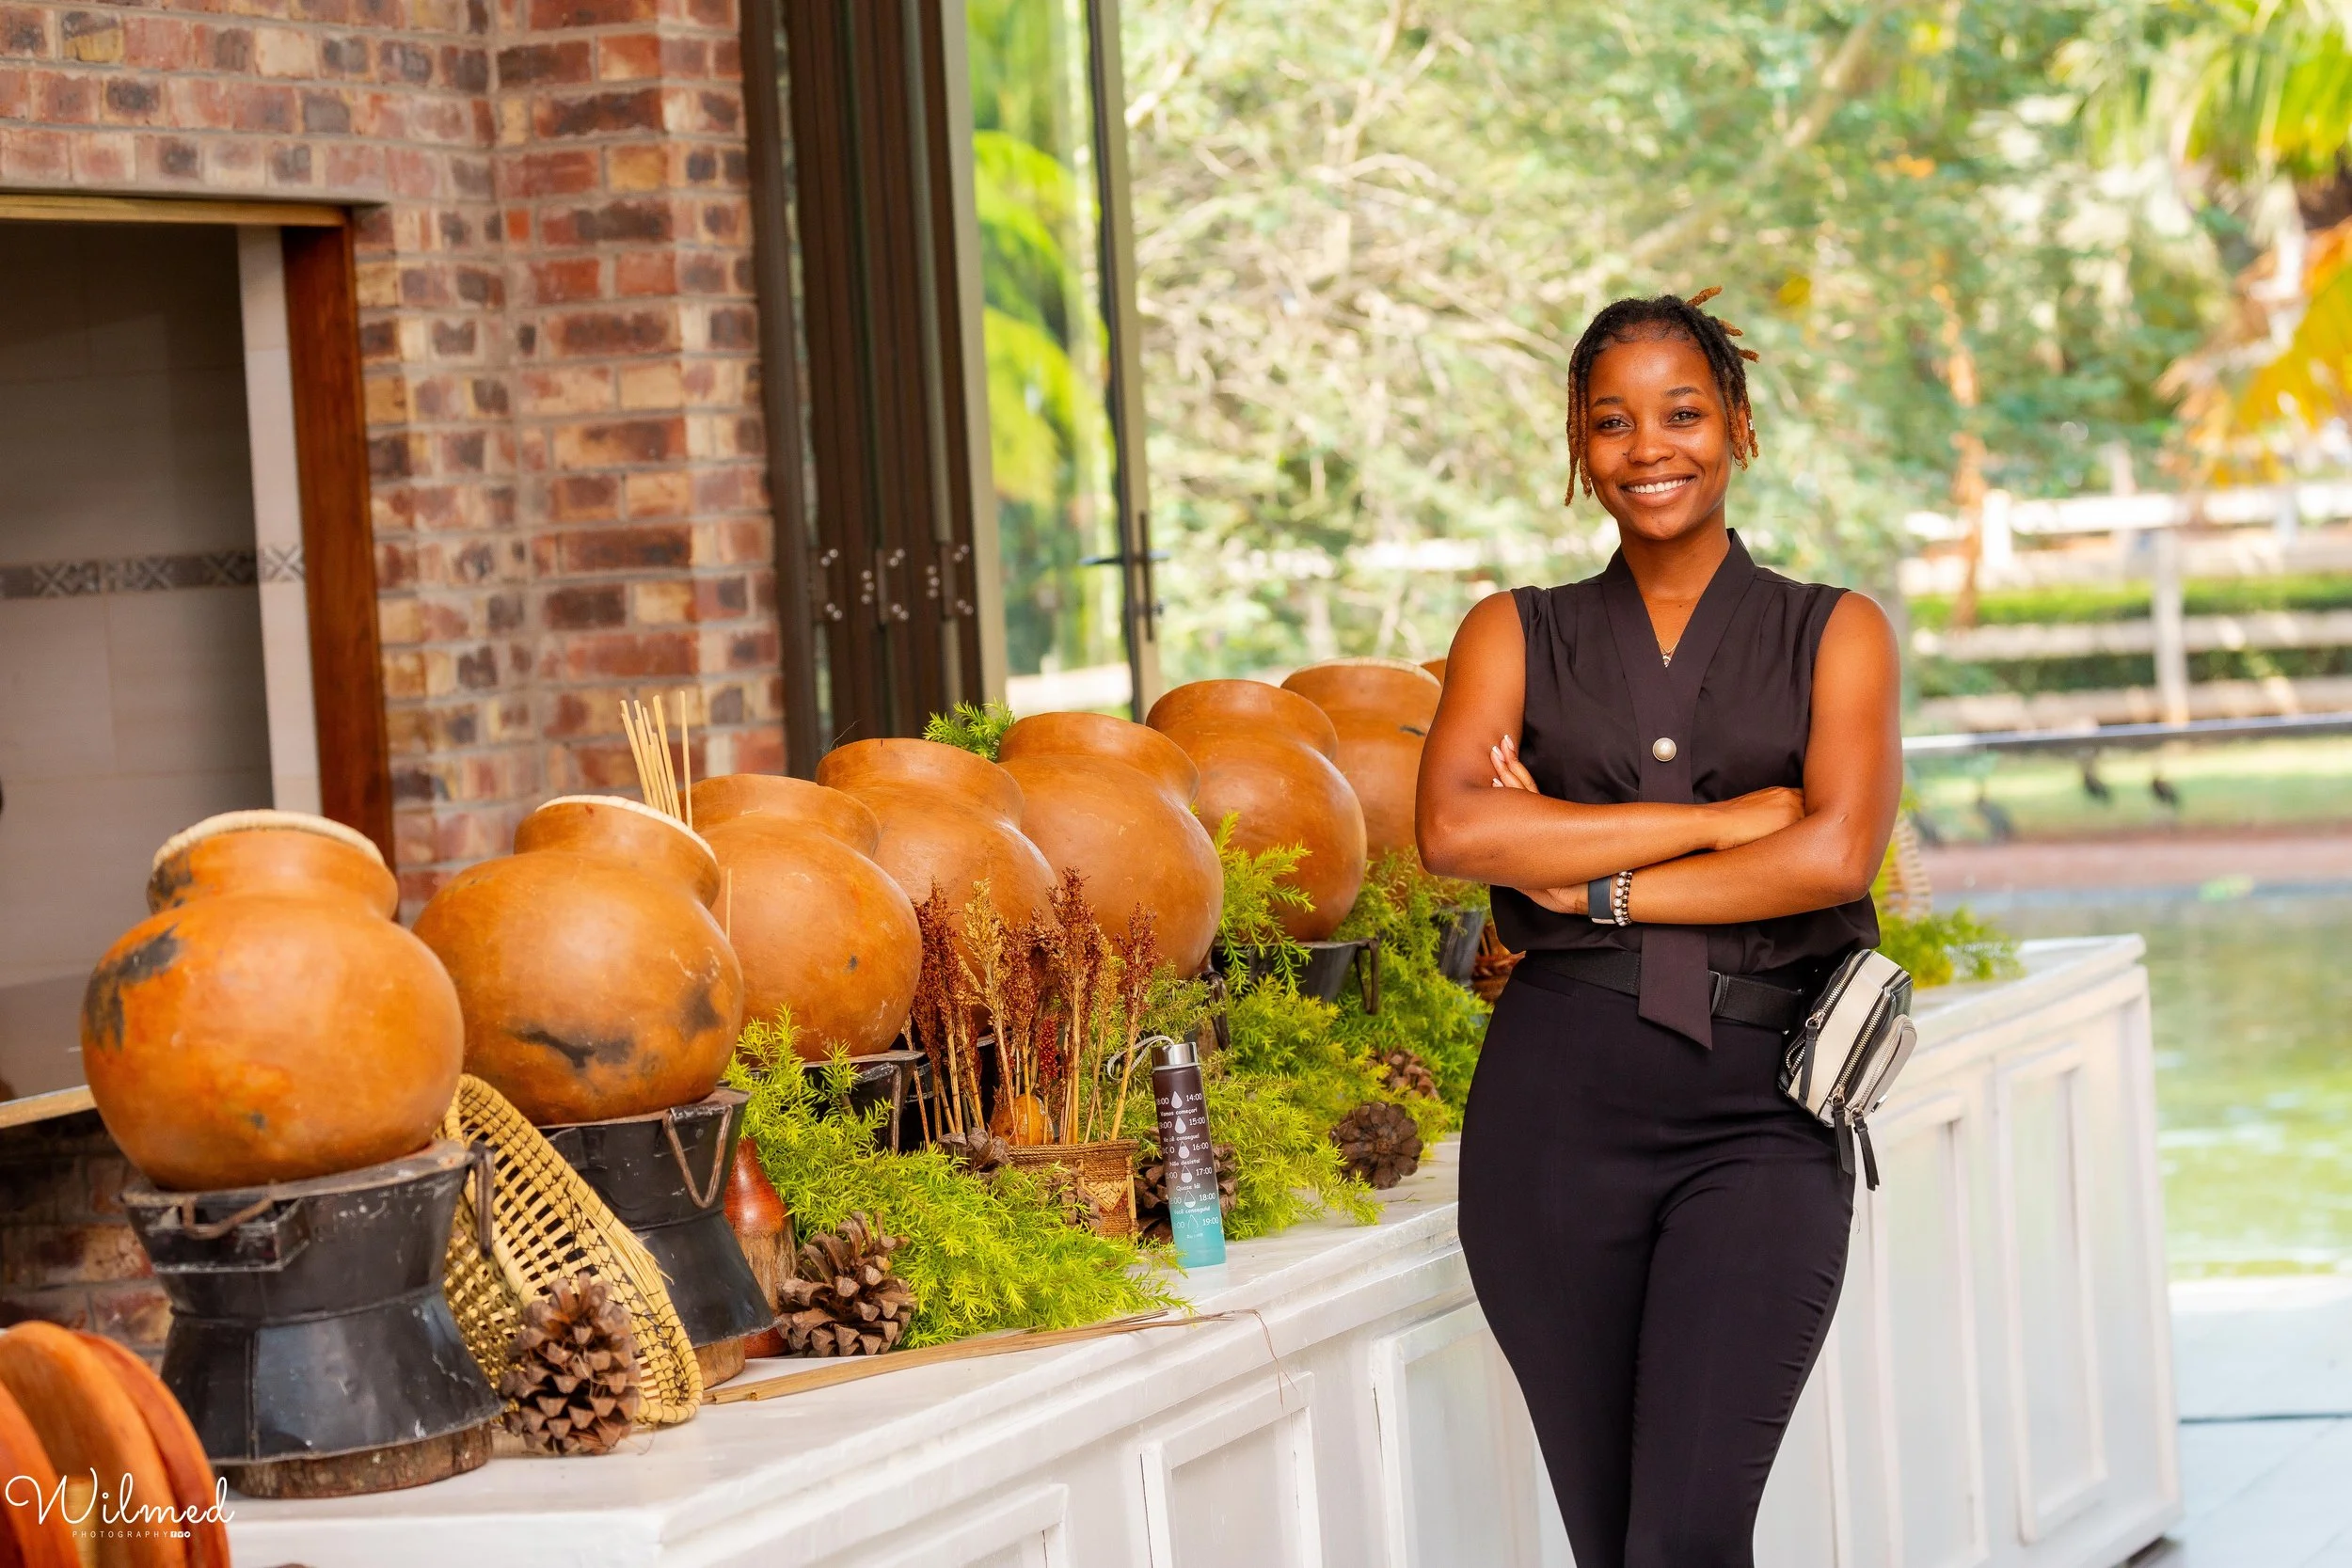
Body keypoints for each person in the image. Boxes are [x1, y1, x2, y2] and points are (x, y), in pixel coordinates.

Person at [1415, 290, 1902, 1568]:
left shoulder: (1836, 631)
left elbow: (1835, 850)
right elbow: (1459, 833)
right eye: (1614, 422)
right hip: (1551, 1130)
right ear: (1580, 450)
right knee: (1612, 1539)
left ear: (1738, 425)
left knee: (1685, 1533)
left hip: (1761, 1120)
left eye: (1683, 412)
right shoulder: (1510, 632)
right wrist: (1731, 822)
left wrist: (1590, 878)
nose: (1652, 448)